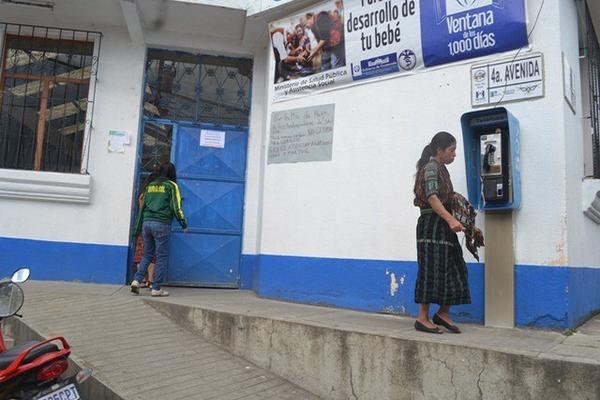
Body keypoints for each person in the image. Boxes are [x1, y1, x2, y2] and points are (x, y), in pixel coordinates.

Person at [412, 132, 470, 334]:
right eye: (451, 150)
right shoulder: (430, 168)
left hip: (443, 226)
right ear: (439, 150)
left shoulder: (442, 170)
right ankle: (422, 318)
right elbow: (432, 197)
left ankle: (442, 314)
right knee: (431, 269)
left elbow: (446, 198)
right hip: (431, 225)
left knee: (455, 268)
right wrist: (451, 219)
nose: (454, 155)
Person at [131, 162, 188, 297]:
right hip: (161, 224)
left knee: (147, 254)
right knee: (161, 256)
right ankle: (156, 288)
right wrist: (183, 223)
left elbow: (143, 207)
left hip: (146, 223)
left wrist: (137, 228)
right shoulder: (171, 186)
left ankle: (136, 280)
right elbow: (176, 207)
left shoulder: (150, 186)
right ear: (172, 173)